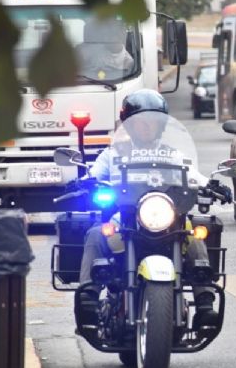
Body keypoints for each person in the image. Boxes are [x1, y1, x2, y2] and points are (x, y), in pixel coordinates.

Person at [78, 89, 223, 331]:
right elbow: (94, 174)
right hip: (125, 217)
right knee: (96, 233)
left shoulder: (172, 154)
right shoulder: (113, 154)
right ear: (129, 125)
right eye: (140, 122)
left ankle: (205, 303)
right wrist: (84, 182)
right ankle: (88, 298)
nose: (146, 127)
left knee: (194, 233)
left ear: (161, 125)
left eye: (153, 122)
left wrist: (212, 185)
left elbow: (193, 175)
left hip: (165, 217)